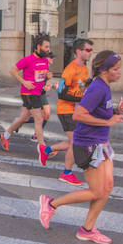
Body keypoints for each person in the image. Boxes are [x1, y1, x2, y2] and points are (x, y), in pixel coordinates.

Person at [38, 50, 123, 244]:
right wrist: (109, 122)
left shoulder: (104, 86)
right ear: (105, 71)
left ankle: (87, 229)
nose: (119, 72)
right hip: (89, 144)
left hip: (101, 143)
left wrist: (115, 111)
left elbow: (99, 110)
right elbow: (79, 114)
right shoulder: (98, 87)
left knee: (108, 186)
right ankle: (51, 203)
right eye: (116, 69)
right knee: (97, 191)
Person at [0, 34, 54, 166]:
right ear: (38, 46)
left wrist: (48, 76)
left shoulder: (45, 60)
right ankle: (44, 148)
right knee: (39, 119)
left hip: (38, 93)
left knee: (23, 118)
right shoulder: (28, 59)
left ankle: (4, 136)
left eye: (49, 47)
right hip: (29, 93)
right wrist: (24, 82)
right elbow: (13, 71)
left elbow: (41, 76)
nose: (48, 49)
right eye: (46, 47)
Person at [52, 39, 93, 186]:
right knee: (76, 142)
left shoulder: (85, 70)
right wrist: (79, 97)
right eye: (88, 50)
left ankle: (47, 150)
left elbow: (81, 87)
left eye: (91, 50)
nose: (90, 53)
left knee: (74, 141)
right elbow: (61, 93)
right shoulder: (70, 69)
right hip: (66, 110)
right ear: (78, 51)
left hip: (76, 111)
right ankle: (66, 173)